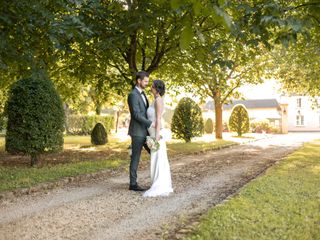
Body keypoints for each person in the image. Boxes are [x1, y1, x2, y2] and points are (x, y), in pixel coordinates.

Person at [143, 80, 173, 197]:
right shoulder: (155, 100)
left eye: (152, 86)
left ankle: (160, 184)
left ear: (156, 88)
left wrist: (156, 137)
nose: (150, 87)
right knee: (155, 159)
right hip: (152, 133)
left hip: (156, 134)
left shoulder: (159, 100)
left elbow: (159, 119)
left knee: (158, 158)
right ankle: (155, 182)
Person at [127, 71, 154, 191]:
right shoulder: (133, 95)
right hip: (137, 132)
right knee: (136, 158)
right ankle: (133, 184)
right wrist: (151, 123)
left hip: (146, 132)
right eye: (145, 81)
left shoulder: (143, 94)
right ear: (139, 81)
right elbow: (136, 115)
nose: (147, 83)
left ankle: (157, 180)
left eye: (148, 81)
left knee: (155, 153)